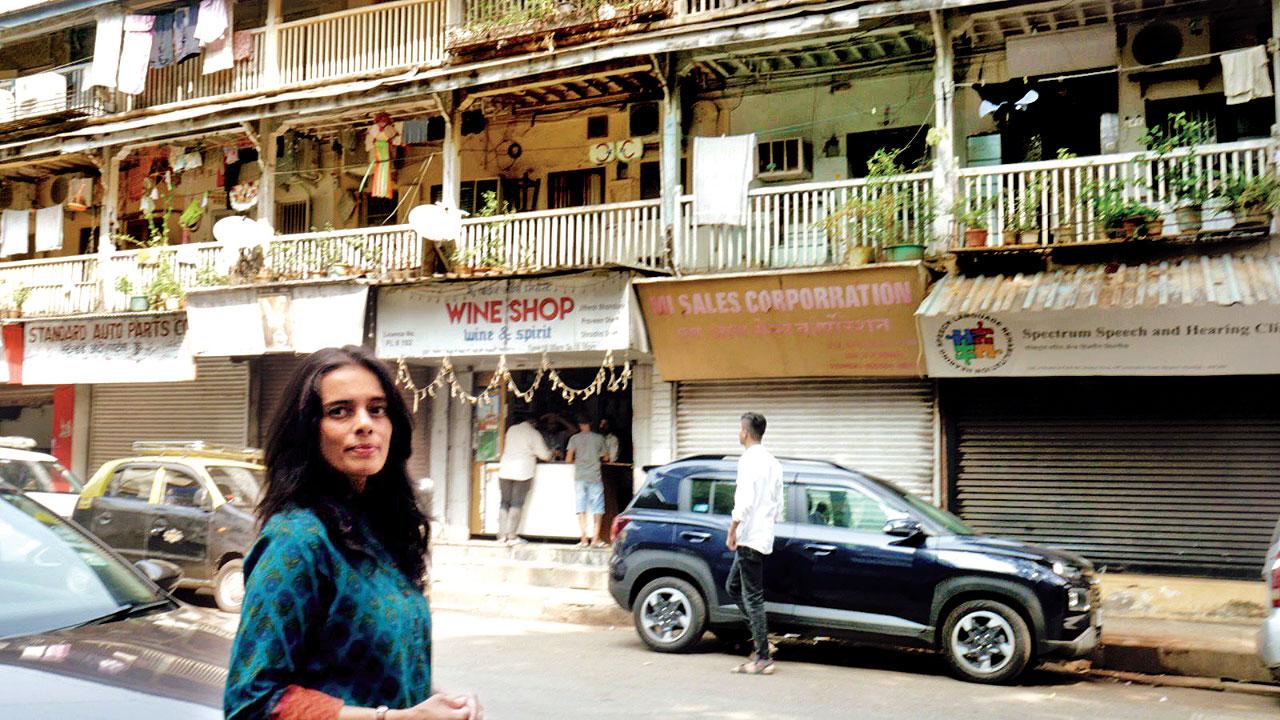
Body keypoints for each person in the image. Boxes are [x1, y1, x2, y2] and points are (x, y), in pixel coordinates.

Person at [224, 346, 482, 720]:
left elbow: (371, 673)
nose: (365, 423)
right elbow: (252, 703)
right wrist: (395, 719)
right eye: (339, 411)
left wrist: (441, 704)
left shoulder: (380, 530)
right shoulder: (296, 540)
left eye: (377, 409)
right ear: (307, 430)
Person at [725, 411, 784, 676]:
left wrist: (733, 529)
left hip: (749, 534)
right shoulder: (773, 462)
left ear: (746, 433)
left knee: (753, 597)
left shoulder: (748, 461)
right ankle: (763, 642)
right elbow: (778, 504)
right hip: (762, 534)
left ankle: (762, 658)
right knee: (733, 586)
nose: (739, 433)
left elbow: (745, 500)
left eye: (739, 429)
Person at [496, 411, 551, 545]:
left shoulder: (512, 429)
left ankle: (502, 536)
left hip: (505, 470)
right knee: (516, 503)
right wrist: (551, 453)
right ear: (534, 423)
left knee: (504, 503)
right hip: (522, 473)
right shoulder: (533, 433)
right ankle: (512, 536)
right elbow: (545, 455)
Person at [565, 416, 608, 548]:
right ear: (591, 423)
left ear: (579, 424)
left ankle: (583, 539)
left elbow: (568, 459)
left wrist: (579, 461)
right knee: (598, 508)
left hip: (580, 477)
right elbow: (606, 457)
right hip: (594, 476)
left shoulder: (574, 439)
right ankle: (595, 539)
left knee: (580, 507)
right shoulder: (599, 438)